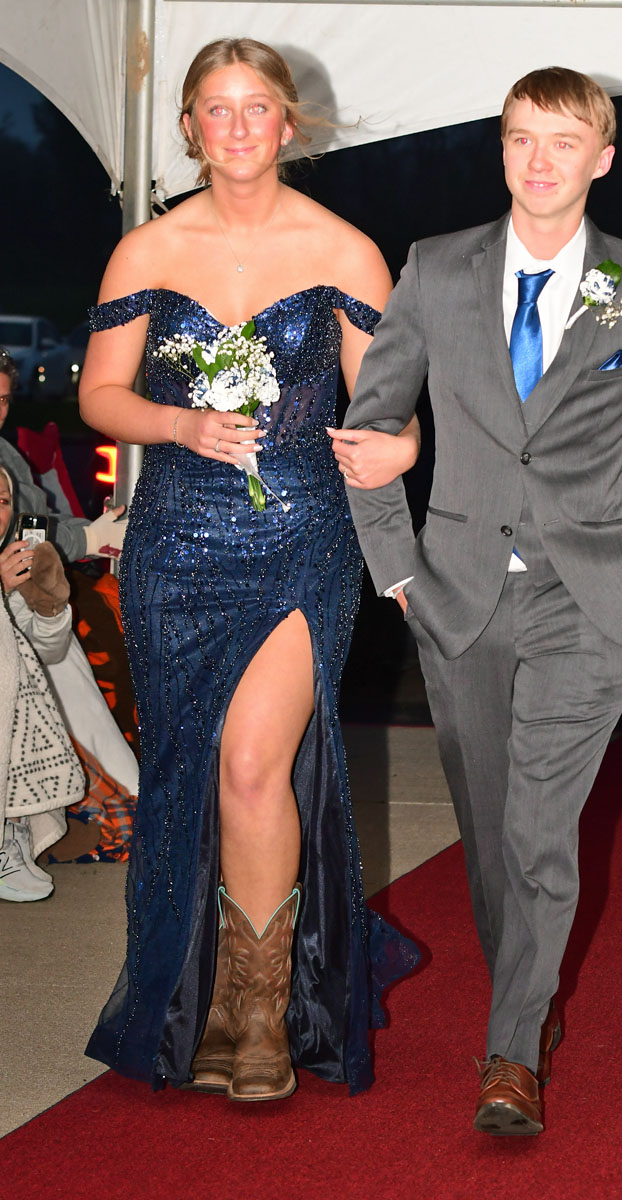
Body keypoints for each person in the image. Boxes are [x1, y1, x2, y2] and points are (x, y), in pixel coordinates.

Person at [341, 66, 622, 1135]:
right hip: (452, 596)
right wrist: (396, 570)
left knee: (541, 833)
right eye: (518, 139)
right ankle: (527, 996)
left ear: (600, 157)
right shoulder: (434, 271)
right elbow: (367, 433)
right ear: (498, 150)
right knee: (490, 827)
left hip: (583, 601)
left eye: (562, 141)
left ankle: (508, 1060)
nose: (537, 161)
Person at [78, 37, 419, 1101]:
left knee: (252, 770)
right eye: (214, 110)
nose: (235, 128)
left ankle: (262, 1012)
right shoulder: (147, 252)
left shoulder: (347, 252)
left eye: (254, 108)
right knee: (187, 773)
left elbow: (382, 407)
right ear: (187, 128)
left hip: (299, 539)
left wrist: (397, 446)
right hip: (175, 543)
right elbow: (100, 398)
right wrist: (178, 422)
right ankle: (209, 995)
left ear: (288, 125)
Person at [0, 466, 84, 901]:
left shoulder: (15, 560)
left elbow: (46, 655)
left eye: (2, 502)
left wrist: (50, 606)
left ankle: (11, 830)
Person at [0, 348, 126, 564]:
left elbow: (40, 521)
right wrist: (89, 539)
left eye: (3, 400)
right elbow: (20, 541)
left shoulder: (7, 453)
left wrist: (94, 530)